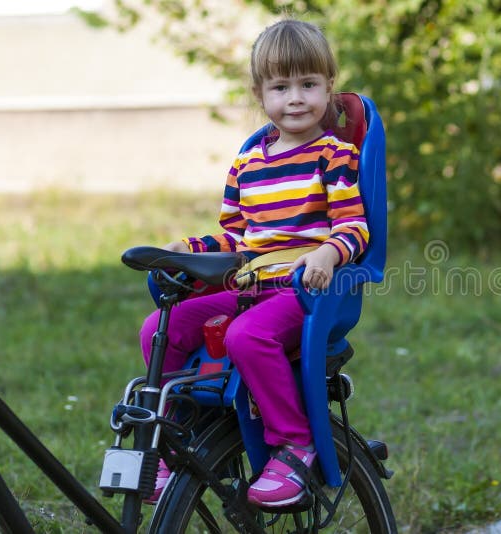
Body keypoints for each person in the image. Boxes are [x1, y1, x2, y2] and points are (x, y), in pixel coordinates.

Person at [138, 18, 369, 508]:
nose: (296, 99)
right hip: (250, 284)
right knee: (160, 327)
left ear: (330, 86)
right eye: (281, 87)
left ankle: (295, 444)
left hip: (306, 290)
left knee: (247, 336)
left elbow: (355, 227)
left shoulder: (334, 155)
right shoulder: (248, 164)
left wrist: (327, 252)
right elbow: (236, 237)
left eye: (309, 84)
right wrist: (190, 250)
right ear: (260, 93)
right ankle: (178, 442)